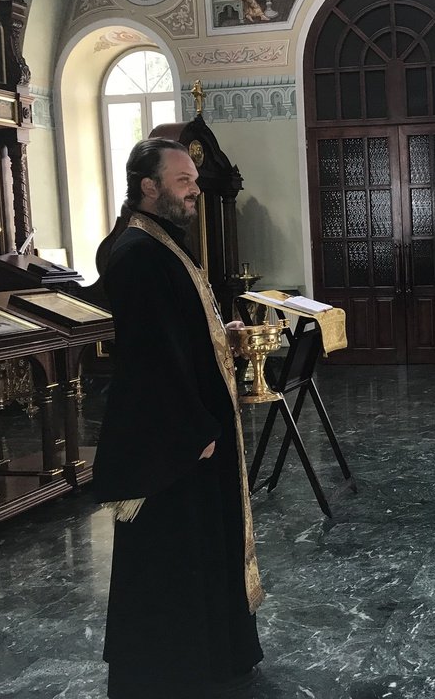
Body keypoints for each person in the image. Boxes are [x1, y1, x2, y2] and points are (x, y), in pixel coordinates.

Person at [92, 138, 265, 697]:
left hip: (194, 430)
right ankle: (172, 668)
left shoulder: (162, 242)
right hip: (174, 441)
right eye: (184, 180)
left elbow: (181, 331)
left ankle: (215, 657)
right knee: (171, 554)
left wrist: (221, 334)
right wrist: (193, 430)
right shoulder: (137, 252)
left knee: (202, 546)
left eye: (194, 180)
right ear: (149, 186)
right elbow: (151, 357)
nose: (195, 190)